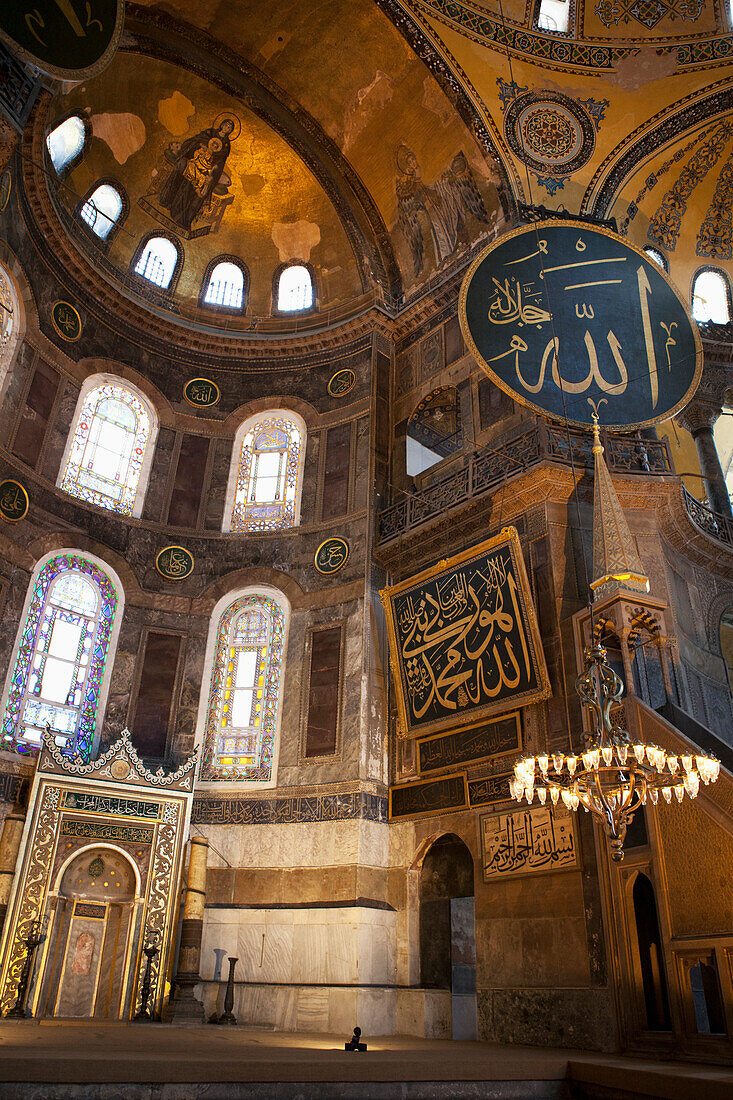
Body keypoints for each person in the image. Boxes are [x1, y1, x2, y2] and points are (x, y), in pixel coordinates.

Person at [158, 119, 235, 231]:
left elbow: (220, 162)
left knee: (200, 187)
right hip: (194, 163)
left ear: (230, 131)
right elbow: (196, 141)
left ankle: (184, 218)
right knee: (183, 168)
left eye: (229, 127)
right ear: (222, 124)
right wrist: (200, 146)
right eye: (226, 125)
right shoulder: (210, 133)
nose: (227, 128)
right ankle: (167, 199)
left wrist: (211, 170)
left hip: (205, 170)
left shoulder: (226, 145)